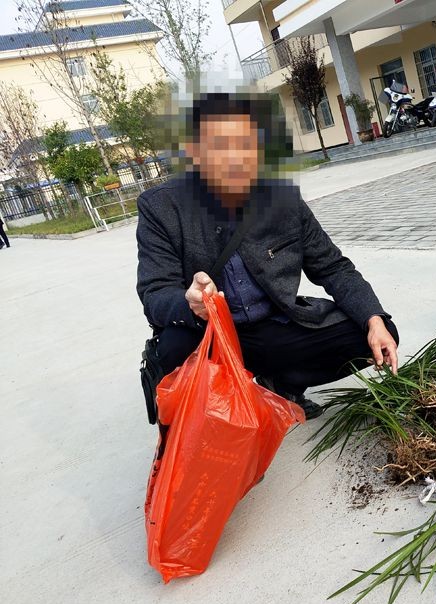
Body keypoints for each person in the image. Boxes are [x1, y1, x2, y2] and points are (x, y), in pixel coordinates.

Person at [136, 93, 399, 420]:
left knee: (375, 334)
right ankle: (220, 414)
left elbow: (333, 267)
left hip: (271, 325)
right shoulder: (160, 207)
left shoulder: (282, 198)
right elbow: (154, 292)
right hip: (210, 334)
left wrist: (373, 319)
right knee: (174, 350)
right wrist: (189, 302)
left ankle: (281, 383)